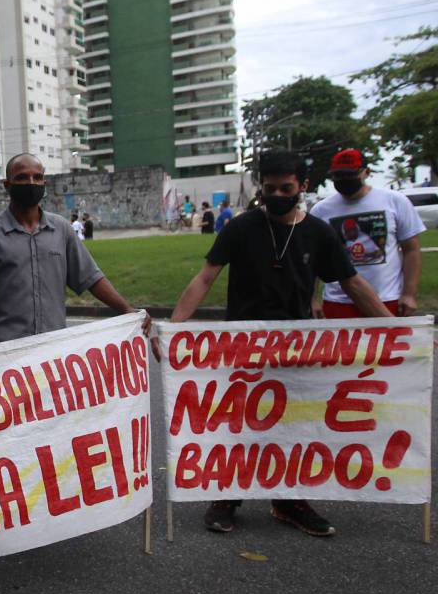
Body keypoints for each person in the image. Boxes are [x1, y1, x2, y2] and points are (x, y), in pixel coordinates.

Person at [168, 150, 393, 537]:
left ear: (303, 186)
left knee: (292, 427)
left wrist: (398, 330)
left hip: (296, 352)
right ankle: (227, 496)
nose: (276, 196)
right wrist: (175, 328)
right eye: (269, 189)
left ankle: (289, 501)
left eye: (286, 189)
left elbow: (353, 284)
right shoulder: (241, 228)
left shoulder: (319, 233)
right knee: (238, 426)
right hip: (242, 348)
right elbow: (205, 277)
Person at [0, 153, 149, 349]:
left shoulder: (61, 229)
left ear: (44, 183)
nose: (31, 183)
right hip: (3, 351)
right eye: (22, 177)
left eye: (37, 177)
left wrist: (126, 309)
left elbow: (92, 278)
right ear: (7, 185)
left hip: (51, 352)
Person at [310, 149, 425, 319]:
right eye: (338, 176)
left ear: (366, 172)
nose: (344, 180)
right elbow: (314, 259)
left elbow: (411, 249)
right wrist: (312, 299)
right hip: (339, 302)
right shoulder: (321, 210)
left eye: (350, 175)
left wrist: (409, 293)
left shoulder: (395, 201)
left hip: (387, 298)